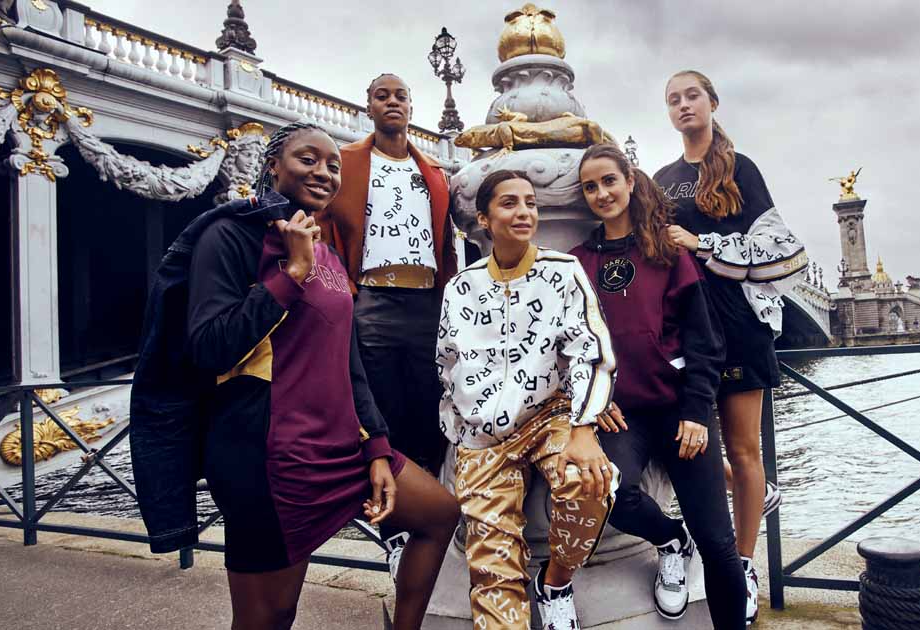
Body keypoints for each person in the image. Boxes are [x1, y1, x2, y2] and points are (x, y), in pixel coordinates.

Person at [186, 121, 458, 630]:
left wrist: (377, 444)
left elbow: (347, 359)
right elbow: (209, 347)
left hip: (340, 445)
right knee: (269, 617)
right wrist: (290, 274)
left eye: (333, 165)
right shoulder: (229, 237)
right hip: (268, 455)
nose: (324, 172)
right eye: (308, 159)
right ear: (273, 166)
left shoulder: (328, 254)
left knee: (439, 513)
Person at [569, 143, 751, 627]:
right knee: (613, 494)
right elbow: (569, 345)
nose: (602, 193)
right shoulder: (575, 264)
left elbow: (705, 340)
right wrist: (595, 397)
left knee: (718, 541)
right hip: (622, 414)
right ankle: (671, 538)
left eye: (609, 180)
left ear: (630, 182)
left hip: (678, 411)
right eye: (591, 186)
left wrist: (696, 411)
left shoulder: (668, 252)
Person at [655, 70, 808, 625]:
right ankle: (744, 501)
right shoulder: (663, 177)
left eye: (692, 95)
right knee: (677, 440)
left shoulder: (741, 170)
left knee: (744, 449)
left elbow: (782, 250)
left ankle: (741, 565)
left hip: (738, 323)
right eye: (673, 100)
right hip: (686, 330)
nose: (683, 105)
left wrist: (704, 244)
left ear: (712, 103)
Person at [437, 170, 618, 630]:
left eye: (531, 203)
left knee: (590, 480)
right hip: (482, 439)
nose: (524, 213)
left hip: (549, 415)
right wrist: (463, 429)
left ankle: (555, 582)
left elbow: (590, 351)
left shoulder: (562, 271)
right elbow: (446, 360)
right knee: (491, 570)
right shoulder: (460, 287)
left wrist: (583, 426)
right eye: (510, 204)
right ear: (483, 218)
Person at [314, 73, 457, 575]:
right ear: (369, 106)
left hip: (426, 299)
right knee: (383, 413)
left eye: (400, 95)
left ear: (411, 107)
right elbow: (325, 224)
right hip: (372, 297)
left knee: (433, 410)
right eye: (382, 95)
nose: (392, 102)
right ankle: (394, 531)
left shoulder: (432, 170)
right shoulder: (349, 161)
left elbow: (446, 240)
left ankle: (430, 513)